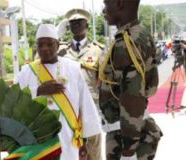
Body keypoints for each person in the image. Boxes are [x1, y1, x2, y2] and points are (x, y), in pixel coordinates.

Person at [15, 24, 102, 160]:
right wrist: (38, 91)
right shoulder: (26, 72)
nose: (44, 49)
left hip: (68, 138)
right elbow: (13, 100)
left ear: (57, 44)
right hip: (35, 139)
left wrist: (84, 142)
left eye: (49, 44)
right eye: (40, 45)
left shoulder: (73, 68)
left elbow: (85, 105)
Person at [100, 0, 162, 159]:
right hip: (136, 128)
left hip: (126, 136)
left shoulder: (126, 42)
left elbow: (132, 97)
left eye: (106, 4)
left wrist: (129, 149)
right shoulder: (139, 32)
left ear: (119, 4)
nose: (103, 11)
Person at [57, 8, 104, 160]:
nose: (76, 25)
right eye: (72, 22)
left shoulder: (98, 50)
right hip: (67, 109)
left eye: (79, 22)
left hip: (91, 111)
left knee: (93, 152)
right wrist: (56, 35)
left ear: (87, 25)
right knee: (69, 152)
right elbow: (39, 60)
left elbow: (105, 83)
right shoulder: (60, 50)